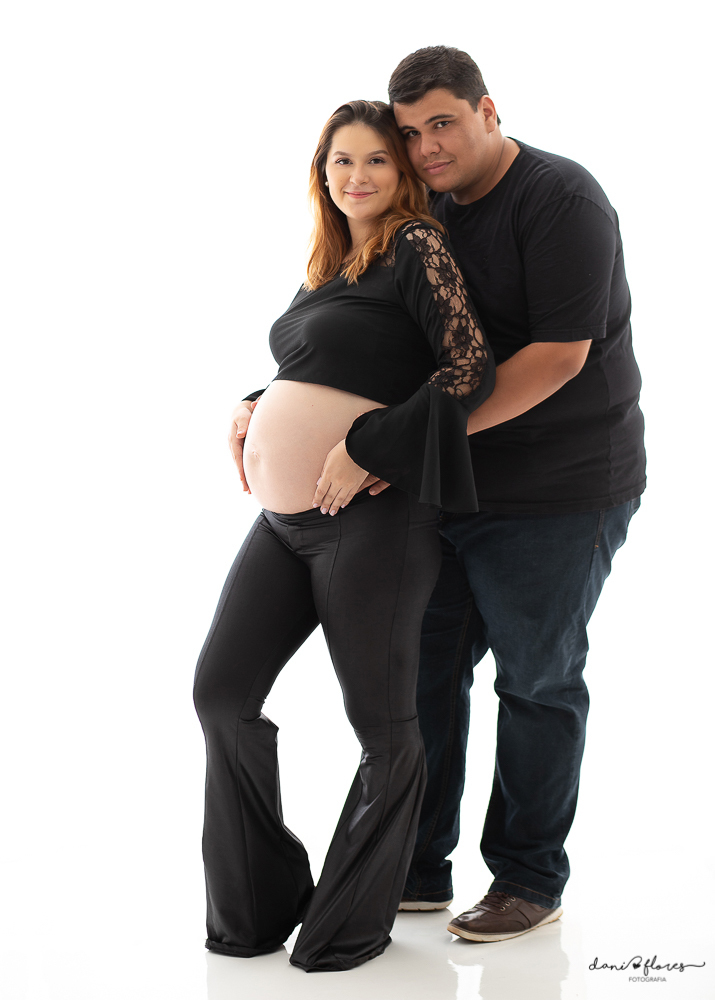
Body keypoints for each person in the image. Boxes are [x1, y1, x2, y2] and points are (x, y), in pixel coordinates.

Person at [194, 99, 495, 973]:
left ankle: (349, 919)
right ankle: (259, 904)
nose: (356, 176)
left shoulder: (416, 245)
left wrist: (372, 447)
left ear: (402, 174)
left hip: (374, 522)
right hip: (283, 523)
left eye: (375, 160)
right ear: (320, 173)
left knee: (382, 726)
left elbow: (467, 366)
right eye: (340, 161)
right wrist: (256, 400)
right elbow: (325, 364)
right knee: (220, 693)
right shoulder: (328, 264)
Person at [380, 46, 646, 942]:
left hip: (560, 492)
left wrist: (417, 439)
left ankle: (528, 879)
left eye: (442, 123)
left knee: (535, 681)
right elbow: (374, 328)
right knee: (424, 674)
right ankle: (415, 867)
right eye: (408, 133)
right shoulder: (425, 211)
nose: (425, 148)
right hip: (452, 488)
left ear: (488, 112)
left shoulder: (560, 199)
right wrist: (269, 399)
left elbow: (556, 359)